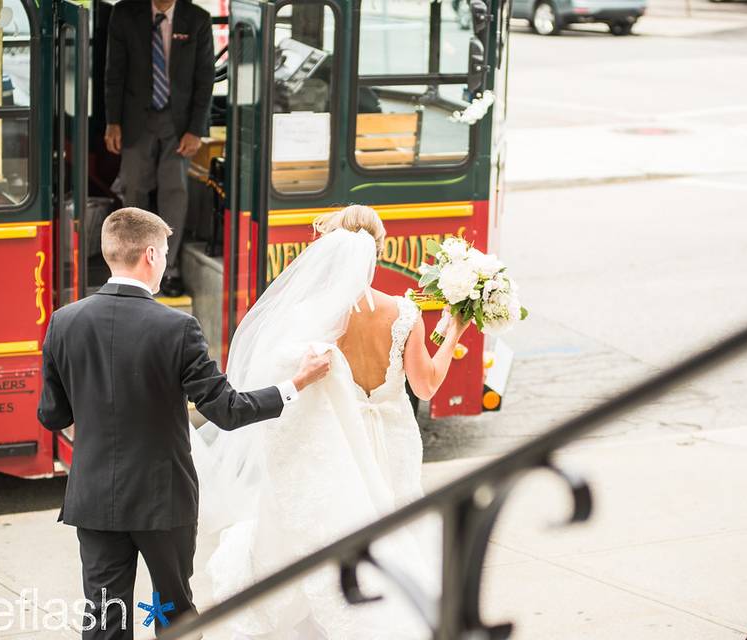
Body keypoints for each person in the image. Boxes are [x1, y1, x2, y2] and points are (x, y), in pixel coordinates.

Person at [37, 207, 332, 640]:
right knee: (173, 612)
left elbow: (53, 415)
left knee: (103, 617)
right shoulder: (177, 327)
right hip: (163, 500)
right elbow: (226, 410)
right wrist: (295, 384)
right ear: (152, 255)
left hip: (94, 497)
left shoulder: (65, 322)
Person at [190, 205, 472, 638]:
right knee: (392, 523)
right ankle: (388, 602)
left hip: (338, 440)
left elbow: (288, 384)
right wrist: (452, 330)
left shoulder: (313, 317)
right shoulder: (405, 314)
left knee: (332, 525)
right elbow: (427, 385)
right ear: (377, 250)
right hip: (393, 439)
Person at [104, 0, 215, 297]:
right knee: (133, 192)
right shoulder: (125, 13)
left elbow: (205, 79)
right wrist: (112, 122)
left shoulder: (197, 19)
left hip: (178, 124)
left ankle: (168, 267)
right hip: (135, 119)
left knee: (174, 194)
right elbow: (114, 72)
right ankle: (130, 271)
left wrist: (195, 130)